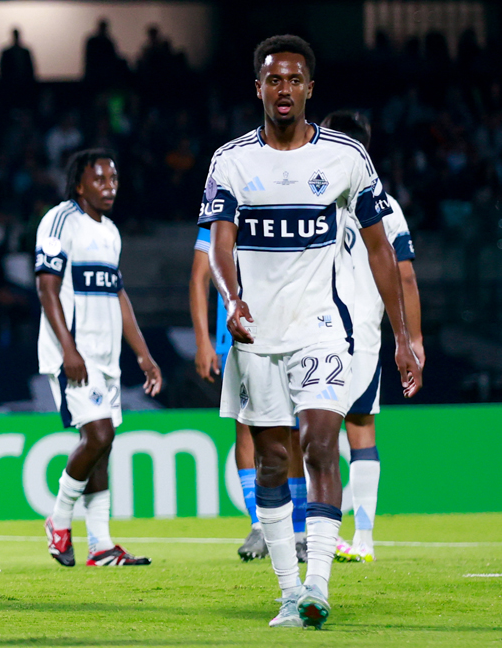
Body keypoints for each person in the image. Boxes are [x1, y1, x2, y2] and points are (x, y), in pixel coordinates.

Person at [200, 35, 421, 629]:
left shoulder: (346, 157)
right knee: (274, 462)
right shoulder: (232, 161)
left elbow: (381, 250)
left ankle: (318, 585)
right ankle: (287, 591)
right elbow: (218, 245)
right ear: (259, 88)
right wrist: (231, 296)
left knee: (323, 443)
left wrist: (403, 335)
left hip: (321, 328)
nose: (284, 90)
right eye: (274, 79)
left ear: (309, 89)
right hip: (255, 335)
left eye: (295, 80)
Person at [37, 149, 163, 567]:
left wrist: (143, 355)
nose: (110, 186)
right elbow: (46, 289)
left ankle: (102, 545)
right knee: (99, 437)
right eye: (100, 179)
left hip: (107, 357)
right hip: (75, 355)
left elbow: (118, 295)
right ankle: (58, 520)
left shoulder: (110, 231)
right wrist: (68, 348)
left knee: (102, 449)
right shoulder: (60, 220)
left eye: (114, 179)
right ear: (79, 185)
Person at [320, 110, 423, 564]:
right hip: (357, 333)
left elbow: (404, 278)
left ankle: (344, 539)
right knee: (355, 427)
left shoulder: (324, 198)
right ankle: (359, 539)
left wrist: (410, 339)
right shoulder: (388, 206)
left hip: (334, 331)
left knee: (325, 428)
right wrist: (412, 340)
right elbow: (406, 278)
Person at [190, 230, 310, 563]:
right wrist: (203, 340)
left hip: (291, 328)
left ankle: (298, 532)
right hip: (240, 334)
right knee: (246, 427)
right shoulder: (222, 206)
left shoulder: (284, 198)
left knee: (296, 432)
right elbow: (200, 274)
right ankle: (259, 526)